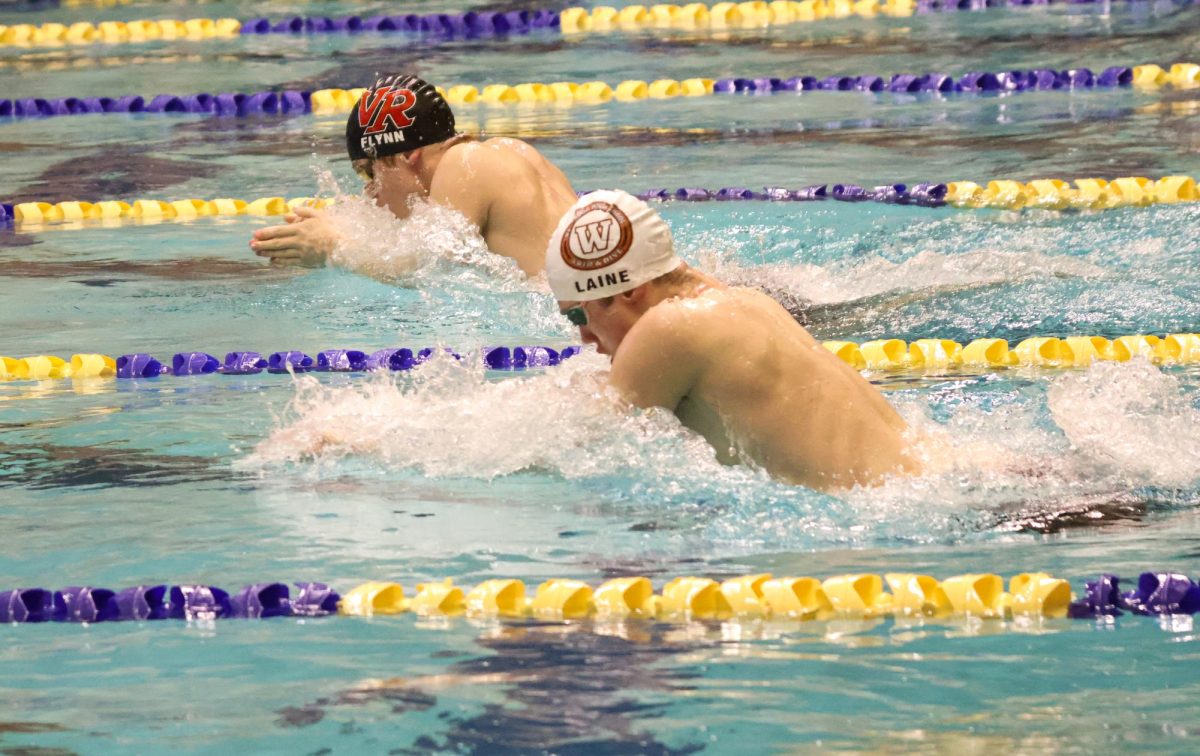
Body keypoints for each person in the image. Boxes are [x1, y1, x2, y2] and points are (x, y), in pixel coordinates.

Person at [546, 190, 921, 491]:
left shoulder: (668, 328)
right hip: (932, 477)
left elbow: (593, 451)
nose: (585, 337)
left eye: (580, 314)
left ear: (626, 292)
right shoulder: (749, 302)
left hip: (893, 513)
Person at [249, 73, 578, 277]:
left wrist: (334, 247)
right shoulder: (514, 151)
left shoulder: (463, 163)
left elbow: (434, 271)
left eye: (368, 173)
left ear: (406, 155)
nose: (370, 193)